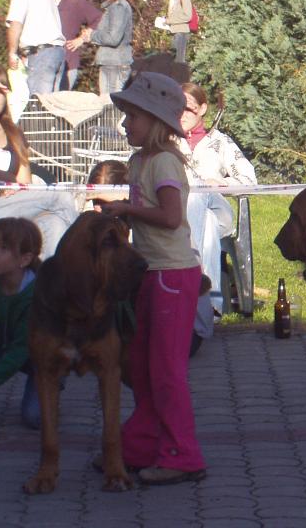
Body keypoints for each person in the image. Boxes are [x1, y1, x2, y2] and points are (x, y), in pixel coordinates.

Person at [100, 72, 206, 485]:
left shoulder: (162, 161)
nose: (126, 125)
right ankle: (142, 444)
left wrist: (125, 211)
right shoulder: (138, 161)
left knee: (165, 371)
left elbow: (170, 216)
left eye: (132, 117)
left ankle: (183, 455)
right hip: (148, 273)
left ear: (156, 120)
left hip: (172, 275)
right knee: (141, 368)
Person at [0, 62, 78, 260]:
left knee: (54, 223)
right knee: (61, 196)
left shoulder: (14, 134)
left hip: (10, 203)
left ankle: (46, 286)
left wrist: (16, 188)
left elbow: (25, 183)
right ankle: (83, 256)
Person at [178, 82, 257, 313]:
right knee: (208, 226)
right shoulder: (168, 141)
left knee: (199, 193)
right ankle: (209, 306)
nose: (182, 114)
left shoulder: (220, 142)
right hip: (179, 213)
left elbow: (250, 180)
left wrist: (221, 183)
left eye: (189, 108)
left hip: (216, 206)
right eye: (178, 107)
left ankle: (190, 280)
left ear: (202, 109)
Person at [0, 218, 43, 429]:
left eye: (3, 248)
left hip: (41, 361)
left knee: (33, 418)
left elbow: (20, 352)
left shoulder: (36, 295)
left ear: (25, 259)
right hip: (8, 345)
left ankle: (52, 387)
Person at [3, 0, 66, 95]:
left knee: (39, 107)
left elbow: (15, 23)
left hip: (42, 56)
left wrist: (12, 53)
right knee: (52, 106)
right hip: (57, 52)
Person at [71, 0, 133, 97]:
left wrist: (91, 36)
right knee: (109, 107)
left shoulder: (118, 7)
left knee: (110, 107)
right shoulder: (114, 6)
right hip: (112, 63)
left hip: (114, 64)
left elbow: (113, 38)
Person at [40, 0, 102, 91]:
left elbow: (99, 18)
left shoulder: (74, 1)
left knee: (61, 105)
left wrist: (82, 39)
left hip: (68, 63)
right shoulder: (40, 2)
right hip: (44, 64)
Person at [165, 0, 193, 64]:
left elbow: (188, 16)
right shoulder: (174, 0)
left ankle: (180, 77)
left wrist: (170, 20)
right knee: (174, 61)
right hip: (175, 32)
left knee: (179, 61)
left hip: (181, 33)